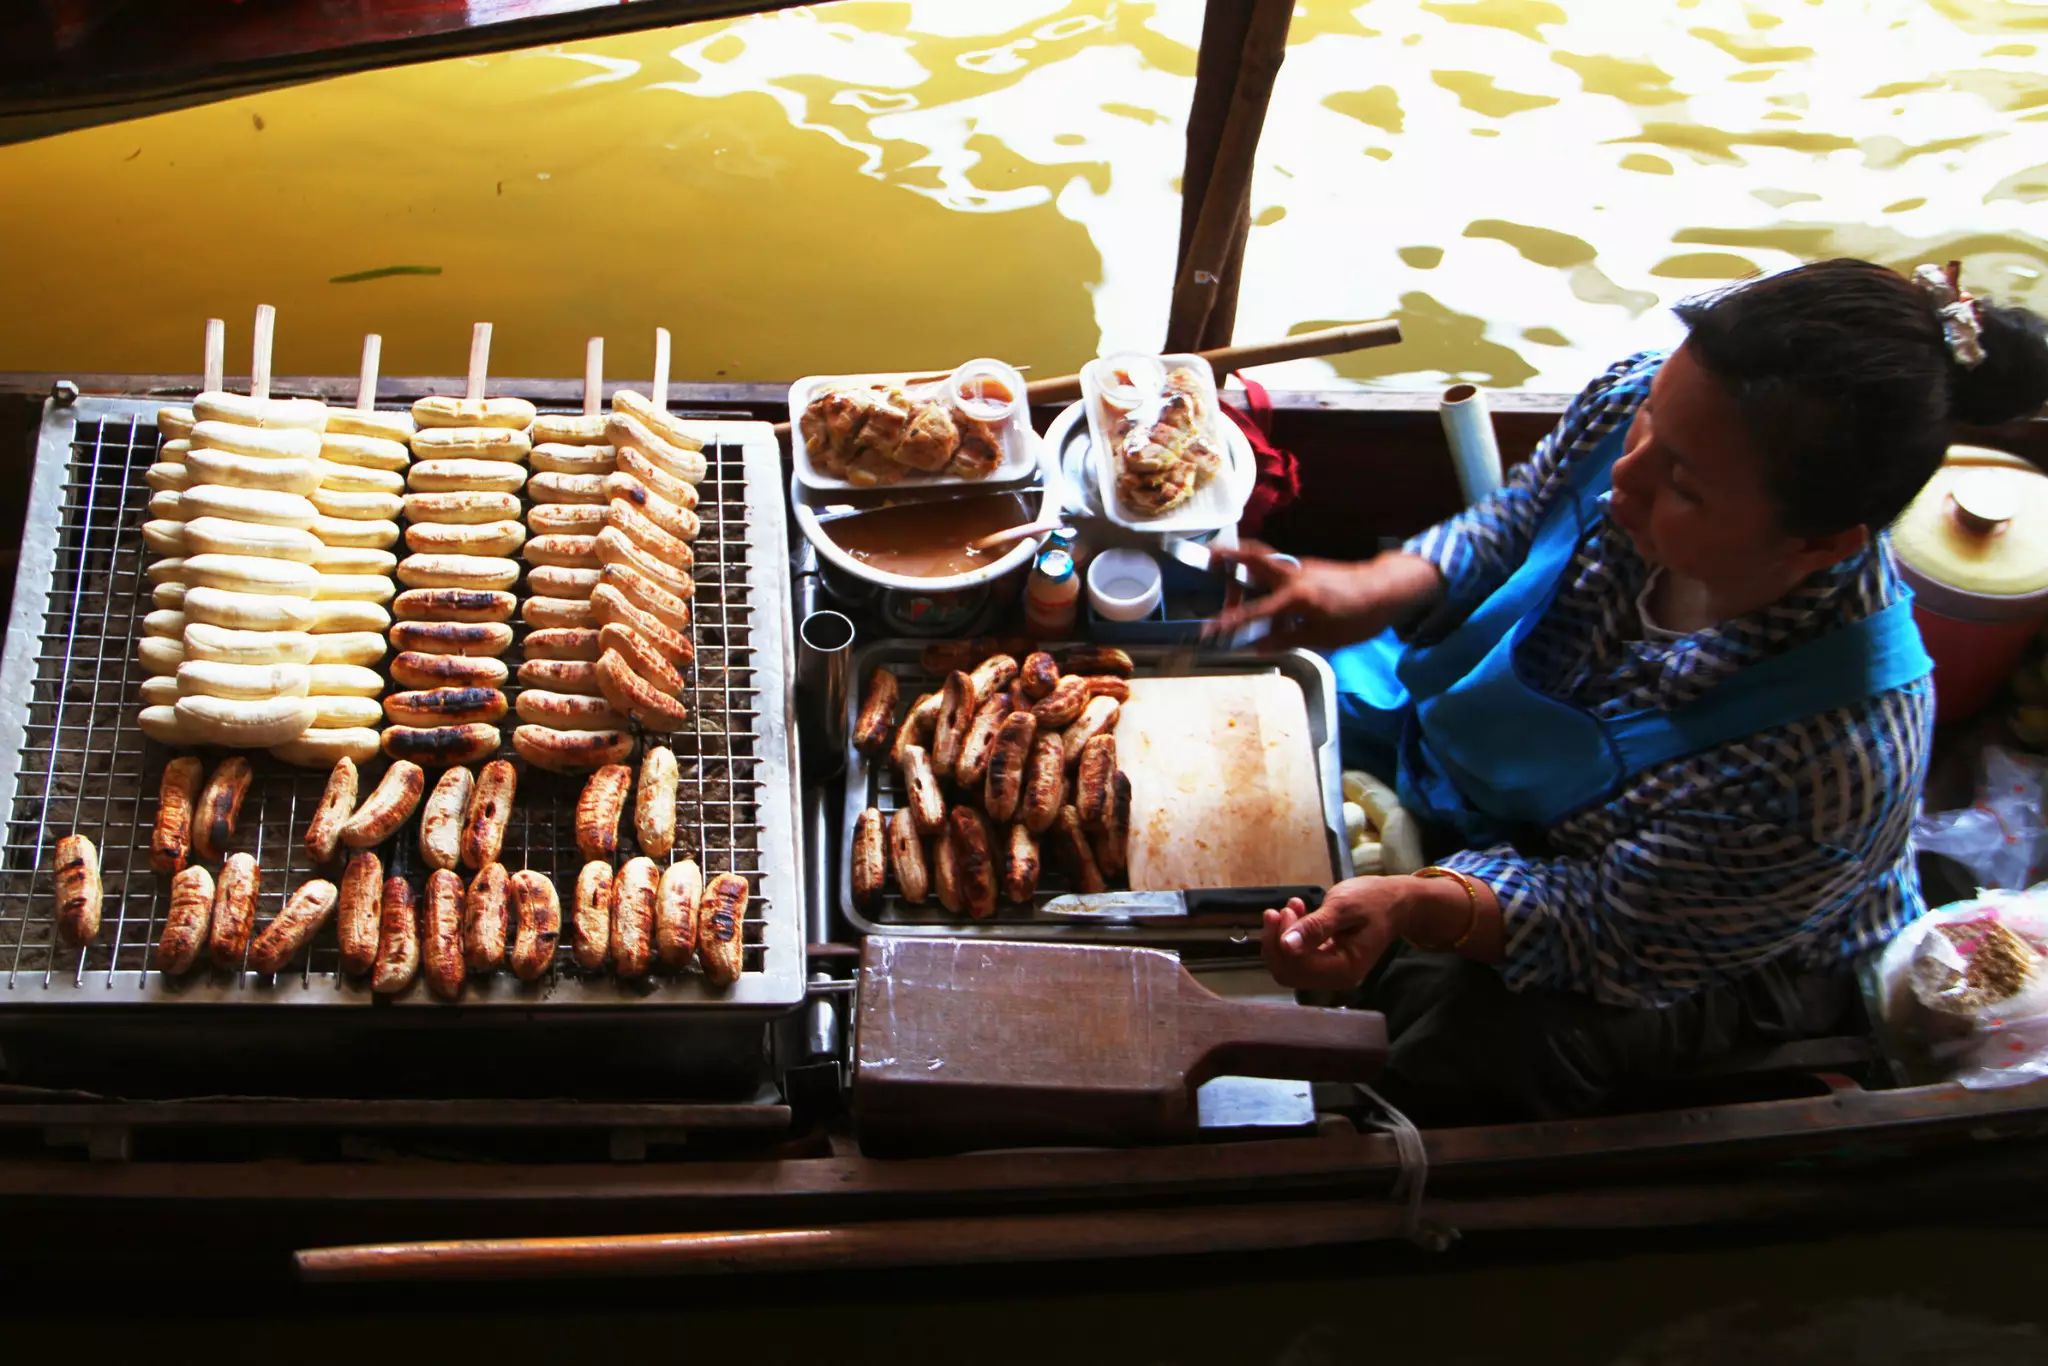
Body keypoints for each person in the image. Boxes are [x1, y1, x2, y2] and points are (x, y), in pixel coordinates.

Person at [1214, 259, 2048, 1123]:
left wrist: (1426, 899)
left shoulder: (1827, 762)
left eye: (1683, 486)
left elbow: (1612, 928)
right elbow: (1520, 515)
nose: (1627, 478)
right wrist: (1382, 583)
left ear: (1822, 543)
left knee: (1469, 1032)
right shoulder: (1641, 408)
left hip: (1695, 931)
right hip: (1528, 778)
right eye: (1653, 417)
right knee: (1272, 732)